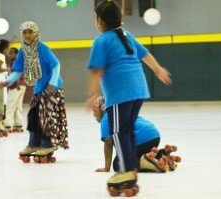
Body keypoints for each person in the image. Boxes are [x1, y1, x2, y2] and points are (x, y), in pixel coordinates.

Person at [86, 1, 172, 196]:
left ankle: (125, 171)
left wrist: (92, 94)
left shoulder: (101, 41)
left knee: (117, 132)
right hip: (138, 89)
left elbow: (95, 70)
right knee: (127, 130)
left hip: (120, 93)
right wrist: (157, 69)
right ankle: (131, 167)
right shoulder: (127, 35)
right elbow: (145, 54)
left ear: (99, 21)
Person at [2, 21, 69, 162]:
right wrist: (7, 81)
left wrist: (52, 83)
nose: (27, 35)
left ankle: (46, 144)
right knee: (33, 117)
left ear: (36, 33)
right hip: (39, 88)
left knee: (46, 118)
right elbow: (18, 70)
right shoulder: (22, 51)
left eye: (30, 32)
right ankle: (33, 144)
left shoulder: (42, 48)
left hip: (52, 88)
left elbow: (56, 65)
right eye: (24, 32)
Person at [92, 96, 180, 173]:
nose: (93, 114)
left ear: (102, 109)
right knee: (133, 155)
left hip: (141, 139)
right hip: (154, 135)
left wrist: (106, 168)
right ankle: (161, 157)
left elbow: (108, 144)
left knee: (118, 164)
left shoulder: (105, 119)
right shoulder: (121, 111)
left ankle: (148, 163)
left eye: (94, 111)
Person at [4, 47, 26, 133]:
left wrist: (17, 84)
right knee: (18, 105)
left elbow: (17, 73)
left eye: (10, 53)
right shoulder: (20, 61)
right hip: (23, 85)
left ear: (15, 54)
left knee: (10, 105)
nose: (8, 55)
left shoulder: (14, 62)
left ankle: (8, 125)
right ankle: (18, 124)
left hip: (16, 86)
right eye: (8, 53)